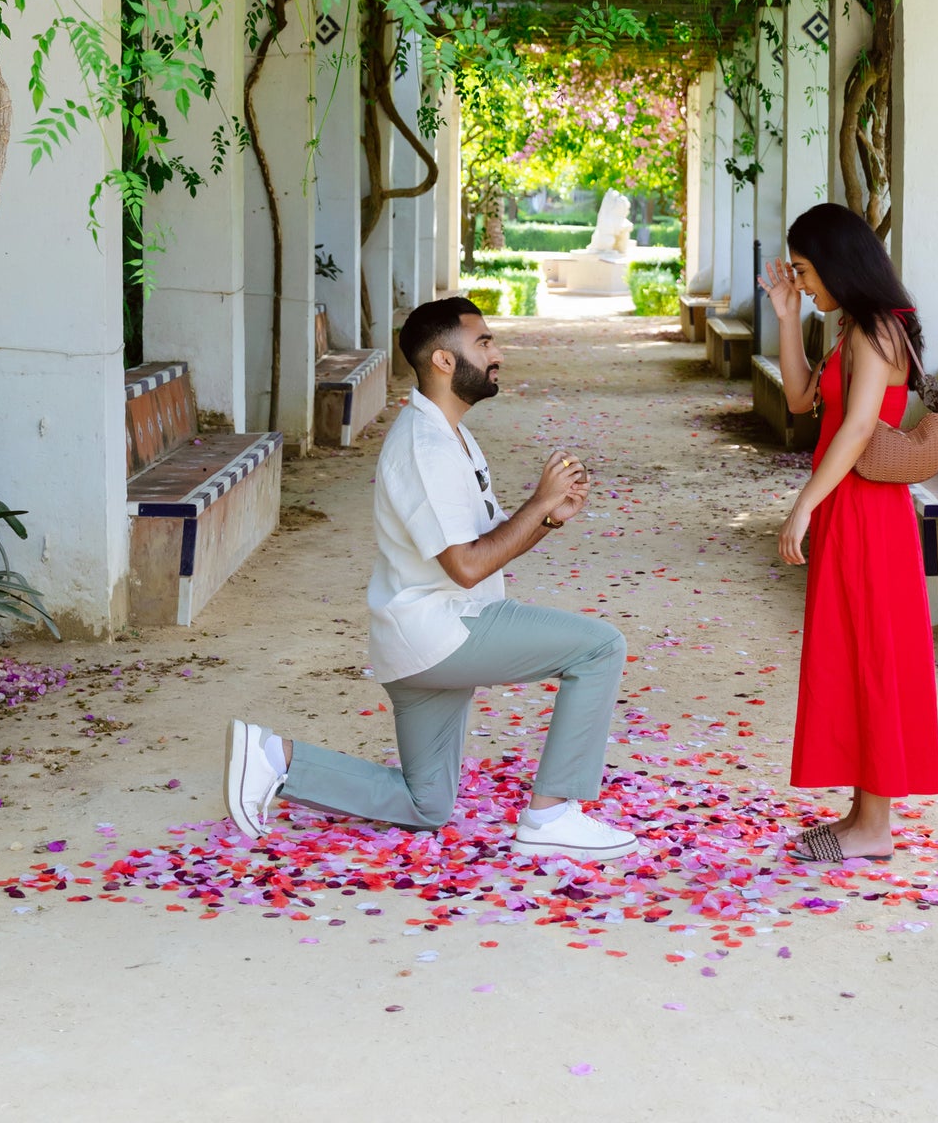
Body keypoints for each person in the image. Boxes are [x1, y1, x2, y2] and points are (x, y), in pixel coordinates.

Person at [222, 295, 638, 861]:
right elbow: (467, 567)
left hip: (417, 641)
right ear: (444, 360)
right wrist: (539, 500)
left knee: (426, 804)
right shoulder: (425, 446)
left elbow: (485, 546)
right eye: (484, 342)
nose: (496, 353)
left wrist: (546, 516)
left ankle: (276, 757)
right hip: (446, 630)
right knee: (598, 649)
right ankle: (551, 815)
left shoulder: (449, 434)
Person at [758, 203, 938, 864]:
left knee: (872, 654)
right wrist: (786, 318)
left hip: (867, 513)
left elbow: (859, 427)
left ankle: (874, 827)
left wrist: (803, 504)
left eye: (804, 271)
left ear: (836, 261)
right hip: (847, 507)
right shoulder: (850, 328)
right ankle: (863, 816)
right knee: (853, 652)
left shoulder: (877, 333)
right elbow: (803, 400)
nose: (802, 283)